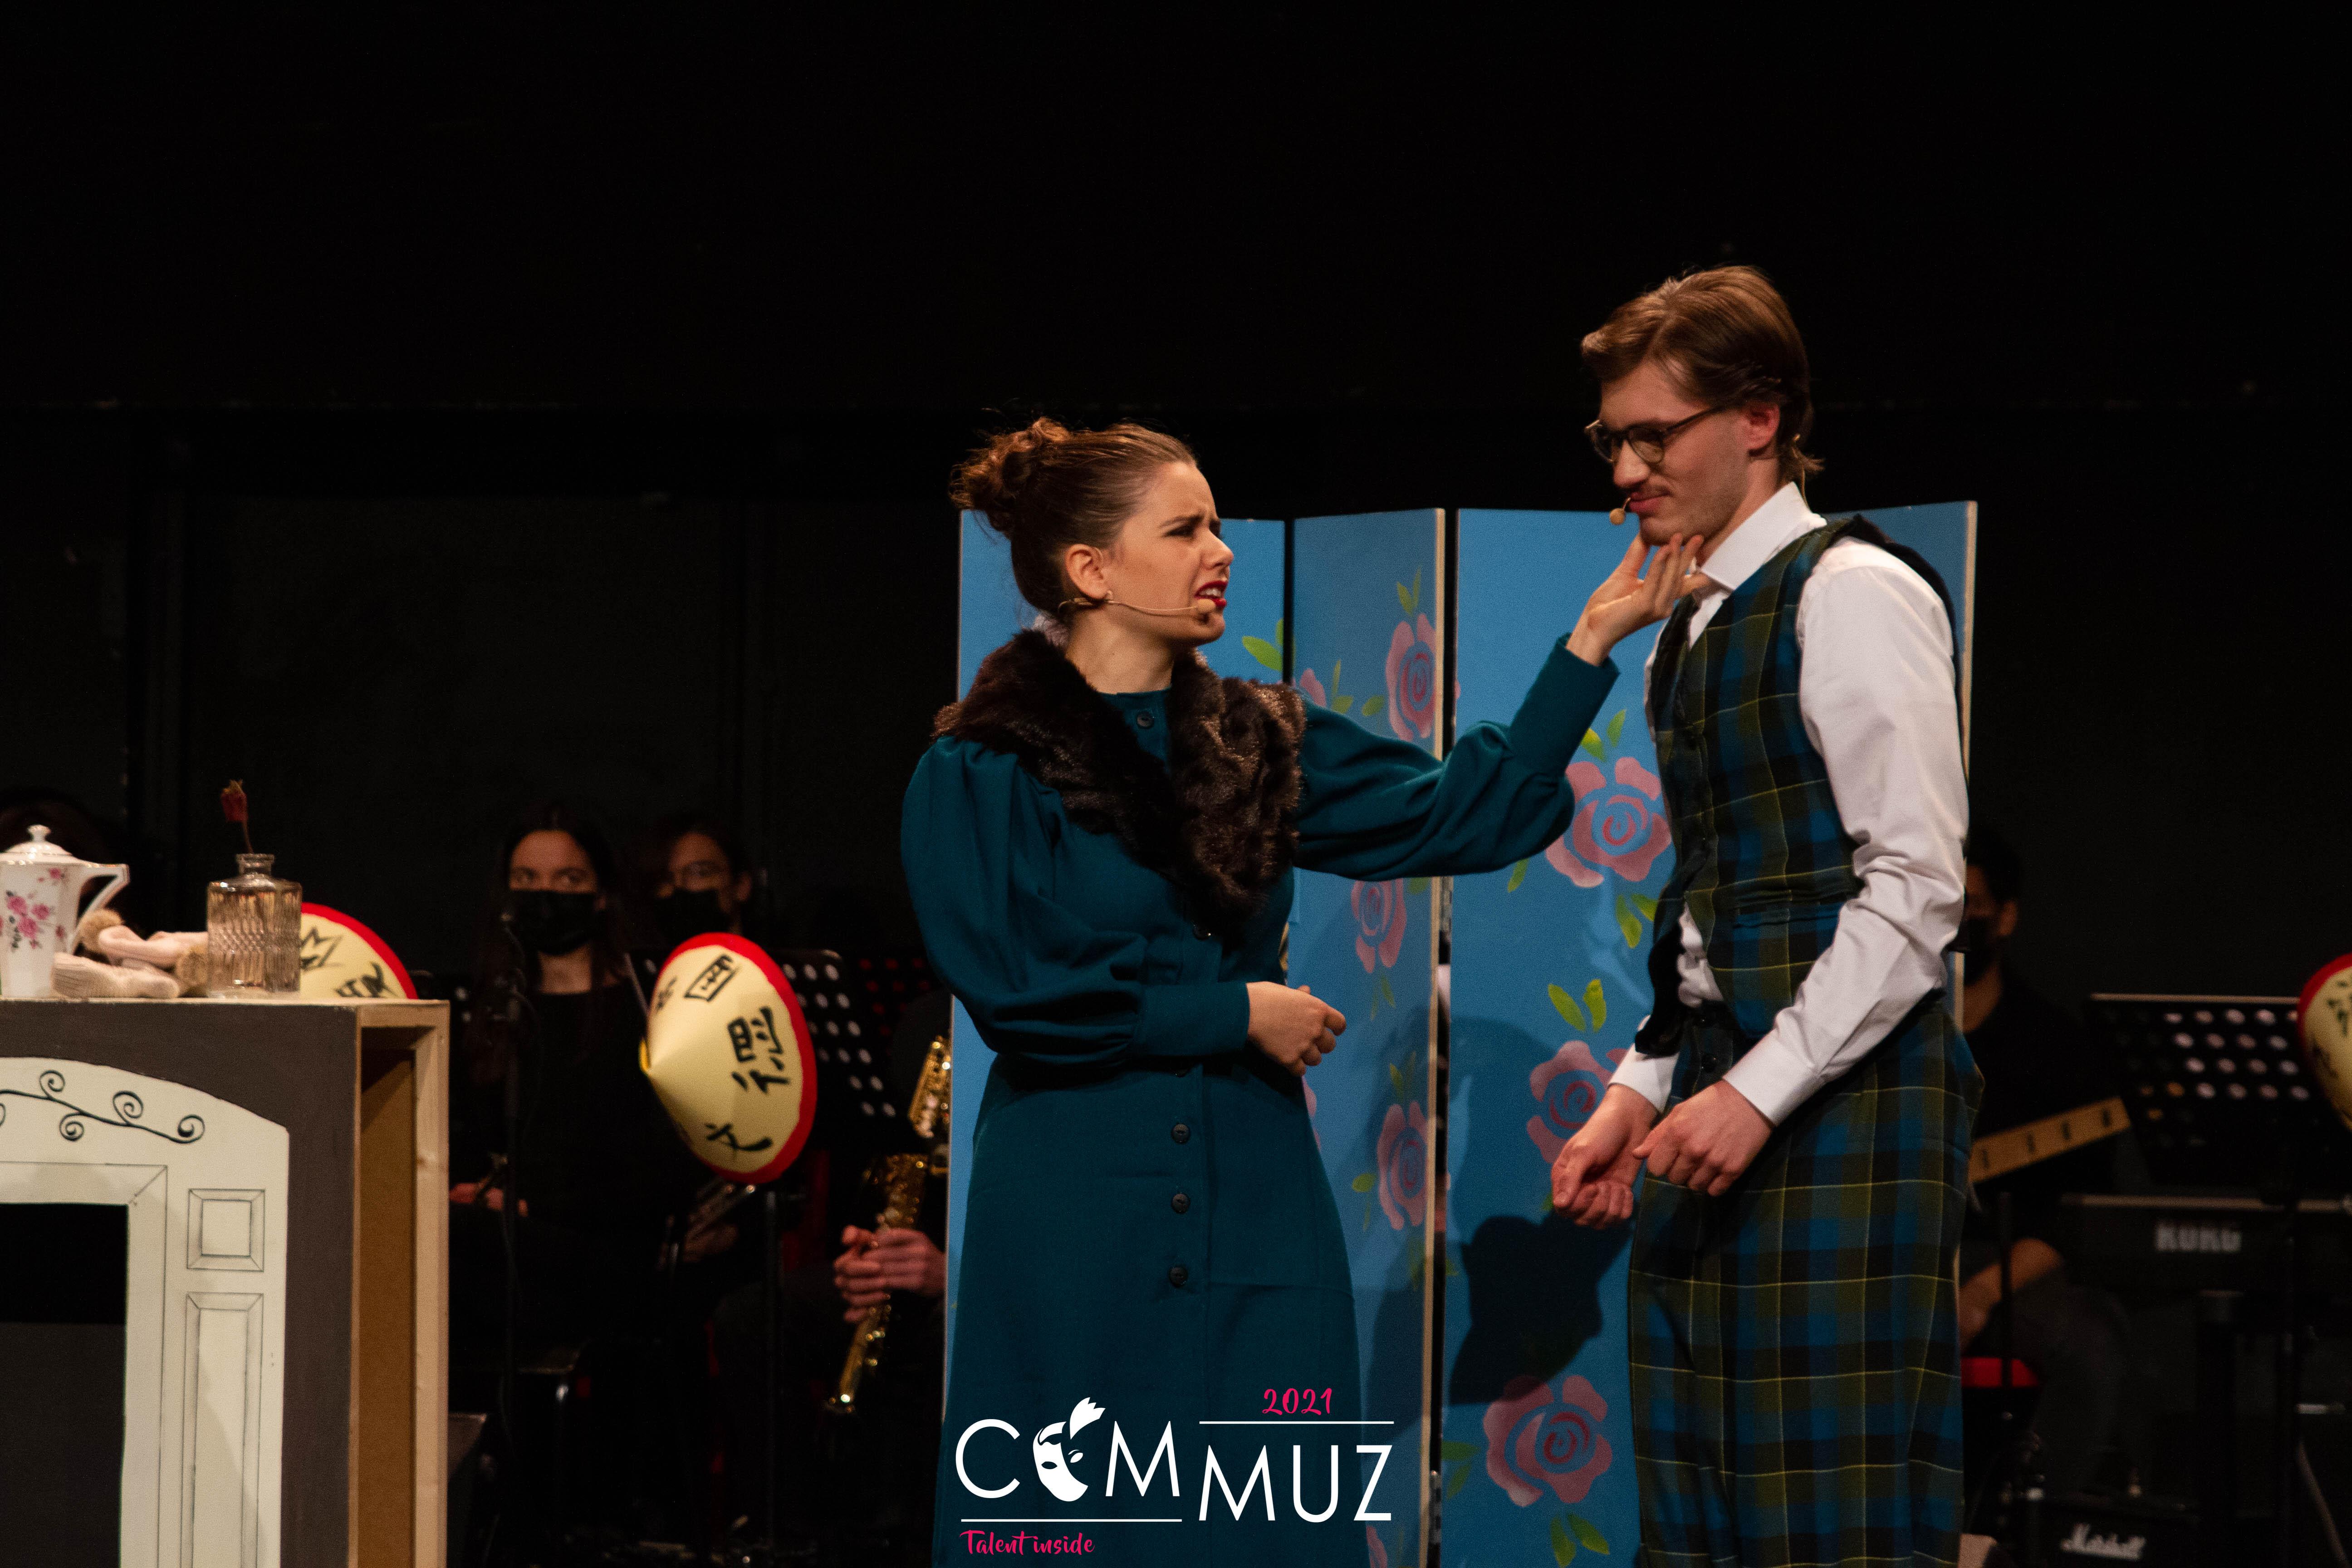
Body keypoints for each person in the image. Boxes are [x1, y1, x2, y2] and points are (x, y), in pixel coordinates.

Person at [906, 416, 1699, 1567]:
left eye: (1219, 524)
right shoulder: (982, 770)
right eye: (1184, 530)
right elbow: (1022, 992)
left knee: (1269, 1524)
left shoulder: (1256, 743)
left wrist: (1588, 643)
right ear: (1090, 568)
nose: (1219, 550)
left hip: (1257, 1206)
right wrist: (1235, 1012)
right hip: (1075, 1216)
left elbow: (1460, 814)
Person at [1550, 268, 1979, 1566]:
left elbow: (1915, 888)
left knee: (1822, 1519)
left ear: (1758, 416)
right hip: (1717, 1095)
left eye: (1652, 434)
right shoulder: (1687, 625)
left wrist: (1755, 1091)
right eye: (1610, 436)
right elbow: (1714, 902)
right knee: (1699, 1514)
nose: (1624, 468)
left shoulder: (1850, 589)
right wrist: (1639, 1087)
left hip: (1841, 1110)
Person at [1955, 825, 2131, 1496]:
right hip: (1892, 1263)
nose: (1955, 922)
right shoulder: (1894, 1040)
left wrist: (1977, 1295)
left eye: (1970, 905)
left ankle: (2044, 1524)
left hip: (2009, 1269)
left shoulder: (2056, 1047)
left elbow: (2073, 1210)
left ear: (2005, 917)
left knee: (2093, 1341)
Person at [642, 809, 759, 950]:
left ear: (741, 886)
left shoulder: (770, 964)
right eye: (666, 878)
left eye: (699, 873)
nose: (679, 886)